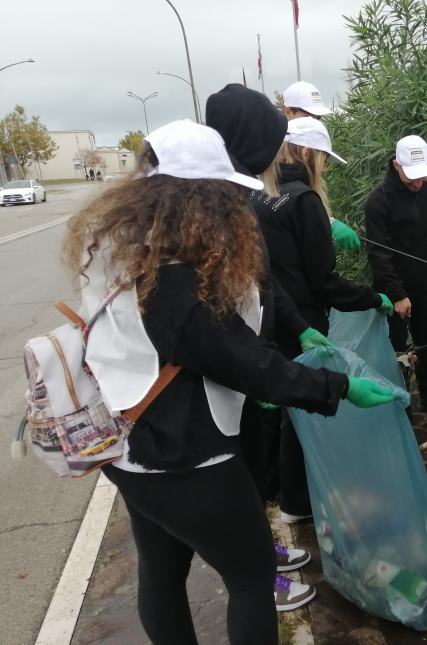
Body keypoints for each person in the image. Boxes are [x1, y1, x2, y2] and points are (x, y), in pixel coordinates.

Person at [63, 120, 396, 645]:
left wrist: (294, 340)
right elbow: (233, 356)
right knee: (251, 576)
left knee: (162, 574)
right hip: (187, 456)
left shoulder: (116, 242)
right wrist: (334, 387)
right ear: (202, 194)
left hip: (128, 445)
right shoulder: (170, 268)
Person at [254, 115, 394, 524]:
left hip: (271, 317)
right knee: (304, 410)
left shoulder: (260, 195)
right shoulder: (305, 201)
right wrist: (374, 298)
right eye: (324, 158)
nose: (326, 168)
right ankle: (299, 504)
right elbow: (325, 282)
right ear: (308, 153)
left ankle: (280, 493)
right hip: (304, 322)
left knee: (282, 408)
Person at [206, 83, 324, 505]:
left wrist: (297, 327)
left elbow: (263, 282)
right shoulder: (218, 208)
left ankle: (263, 548)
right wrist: (265, 374)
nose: (279, 154)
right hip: (226, 383)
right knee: (242, 475)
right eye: (273, 142)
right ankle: (261, 562)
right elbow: (221, 320)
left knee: (255, 464)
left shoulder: (243, 196)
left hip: (253, 364)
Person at [364, 134, 427, 420]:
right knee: (395, 346)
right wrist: (397, 294)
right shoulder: (378, 201)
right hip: (391, 285)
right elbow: (378, 254)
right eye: (412, 177)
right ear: (396, 165)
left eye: (423, 176)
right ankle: (399, 401)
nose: (419, 183)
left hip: (425, 279)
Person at [281, 80, 359, 252]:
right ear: (286, 112)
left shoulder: (302, 164)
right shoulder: (269, 155)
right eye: (309, 116)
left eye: (318, 118)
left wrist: (326, 221)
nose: (315, 122)